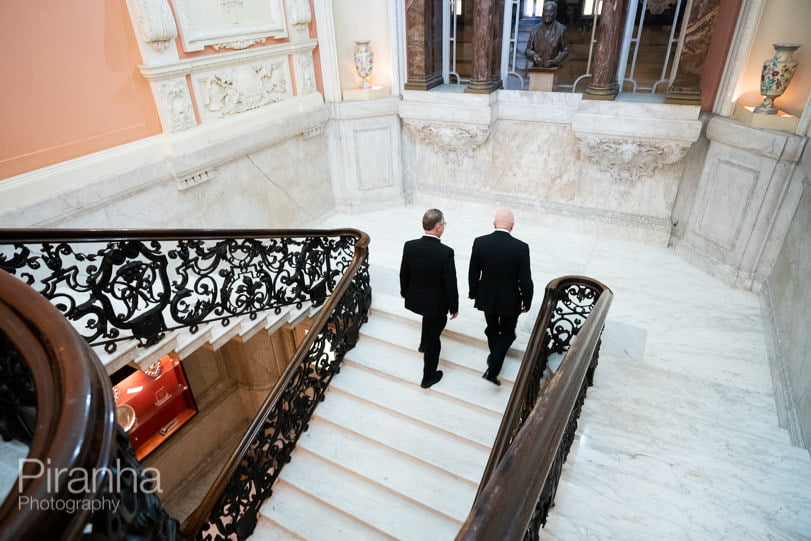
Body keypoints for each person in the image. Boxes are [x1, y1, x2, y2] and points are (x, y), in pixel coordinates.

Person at [468, 209, 533, 385]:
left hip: (486, 296)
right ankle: (493, 369)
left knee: (491, 328)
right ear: (512, 227)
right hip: (510, 300)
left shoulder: (480, 242)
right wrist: (527, 301)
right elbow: (525, 280)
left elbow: (473, 272)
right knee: (508, 334)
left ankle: (493, 359)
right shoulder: (521, 247)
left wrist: (474, 293)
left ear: (494, 224)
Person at [400, 209, 459, 389]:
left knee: (430, 320)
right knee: (436, 334)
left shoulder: (409, 245)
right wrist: (454, 307)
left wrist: (405, 292)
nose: (444, 227)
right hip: (436, 304)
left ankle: (423, 345)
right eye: (444, 224)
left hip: (417, 299)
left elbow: (404, 273)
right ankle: (428, 377)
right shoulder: (446, 252)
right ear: (439, 228)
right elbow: (450, 282)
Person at [525, 1, 569, 68]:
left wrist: (555, 61)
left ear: (555, 13)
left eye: (550, 11)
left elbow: (565, 50)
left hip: (552, 68)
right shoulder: (535, 29)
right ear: (542, 13)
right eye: (545, 11)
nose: (547, 14)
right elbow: (528, 50)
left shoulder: (561, 30)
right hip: (537, 67)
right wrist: (533, 55)